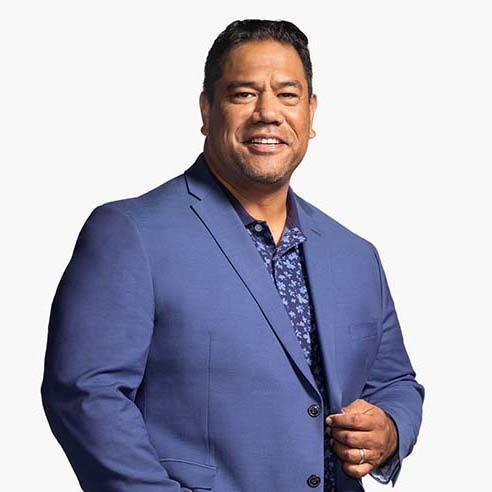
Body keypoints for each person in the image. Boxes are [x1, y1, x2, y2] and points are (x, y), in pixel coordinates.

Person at [41, 19, 424, 492]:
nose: (268, 113)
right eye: (243, 94)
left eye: (287, 95)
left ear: (310, 113)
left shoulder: (355, 254)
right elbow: (86, 395)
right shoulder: (130, 234)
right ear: (207, 110)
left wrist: (390, 429)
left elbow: (395, 383)